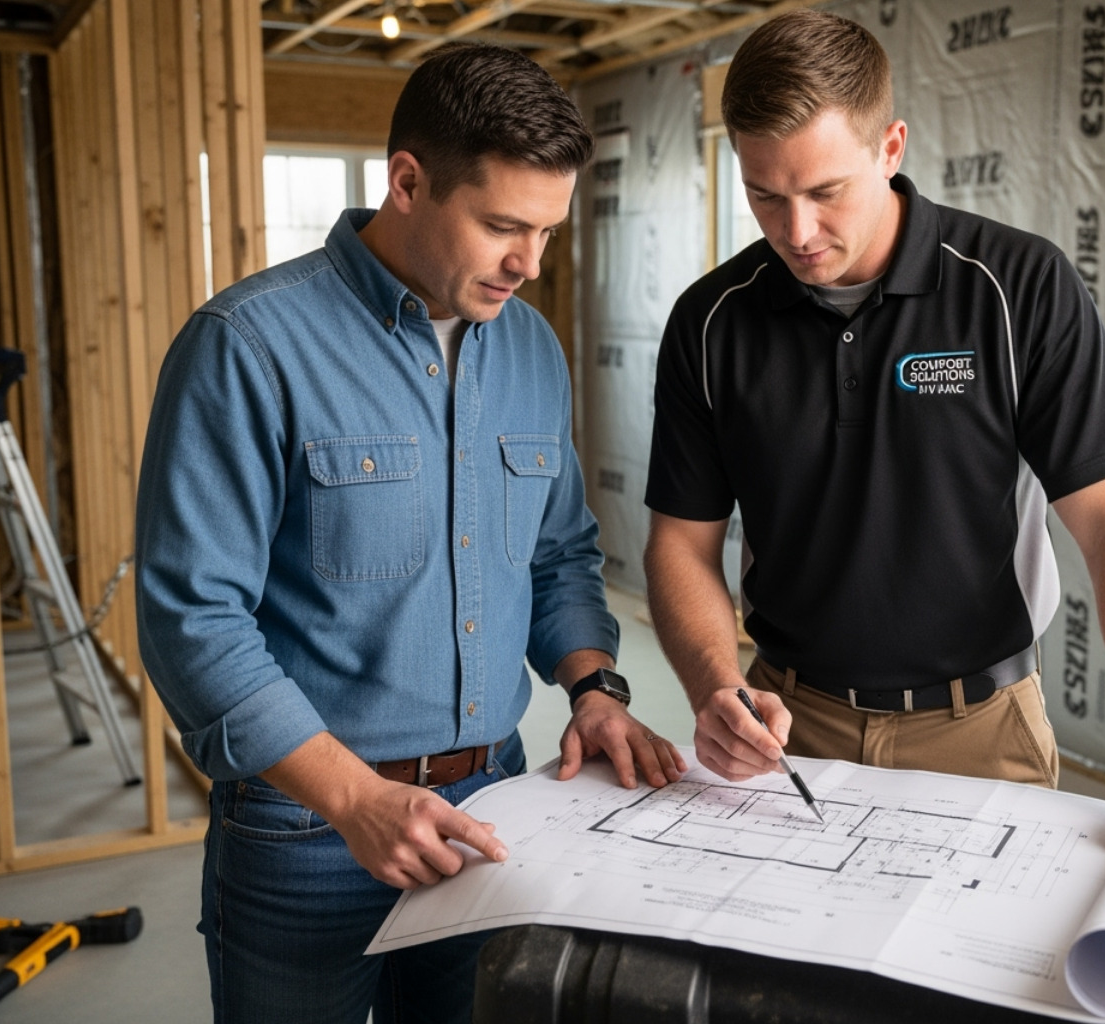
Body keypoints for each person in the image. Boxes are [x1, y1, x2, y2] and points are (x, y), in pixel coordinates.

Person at [136, 43, 684, 1024]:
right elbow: (193, 620)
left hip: (492, 815)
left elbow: (556, 551)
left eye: (548, 231)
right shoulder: (248, 346)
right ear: (407, 182)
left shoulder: (529, 346)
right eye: (503, 226)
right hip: (302, 829)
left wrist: (593, 686)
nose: (530, 263)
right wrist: (353, 800)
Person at [643, 10, 1105, 891]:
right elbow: (680, 543)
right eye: (765, 194)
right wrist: (713, 687)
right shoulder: (711, 321)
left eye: (826, 191)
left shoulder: (1018, 288)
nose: (797, 230)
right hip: (787, 729)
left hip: (982, 731)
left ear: (891, 146)